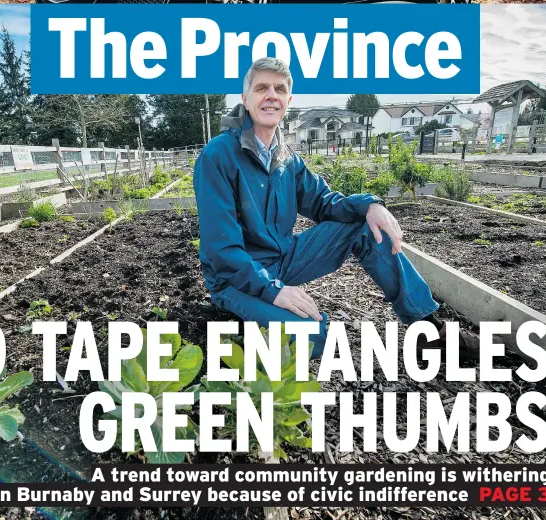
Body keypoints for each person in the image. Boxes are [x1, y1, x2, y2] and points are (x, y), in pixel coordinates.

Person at [193, 57, 479, 359]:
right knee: (311, 336)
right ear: (245, 98)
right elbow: (221, 250)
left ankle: (429, 329)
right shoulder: (219, 156)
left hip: (283, 261)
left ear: (289, 100)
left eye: (279, 89)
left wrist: (370, 205)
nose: (271, 96)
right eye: (261, 88)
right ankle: (241, 320)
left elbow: (324, 202)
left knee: (365, 226)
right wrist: (272, 290)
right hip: (234, 278)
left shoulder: (287, 158)